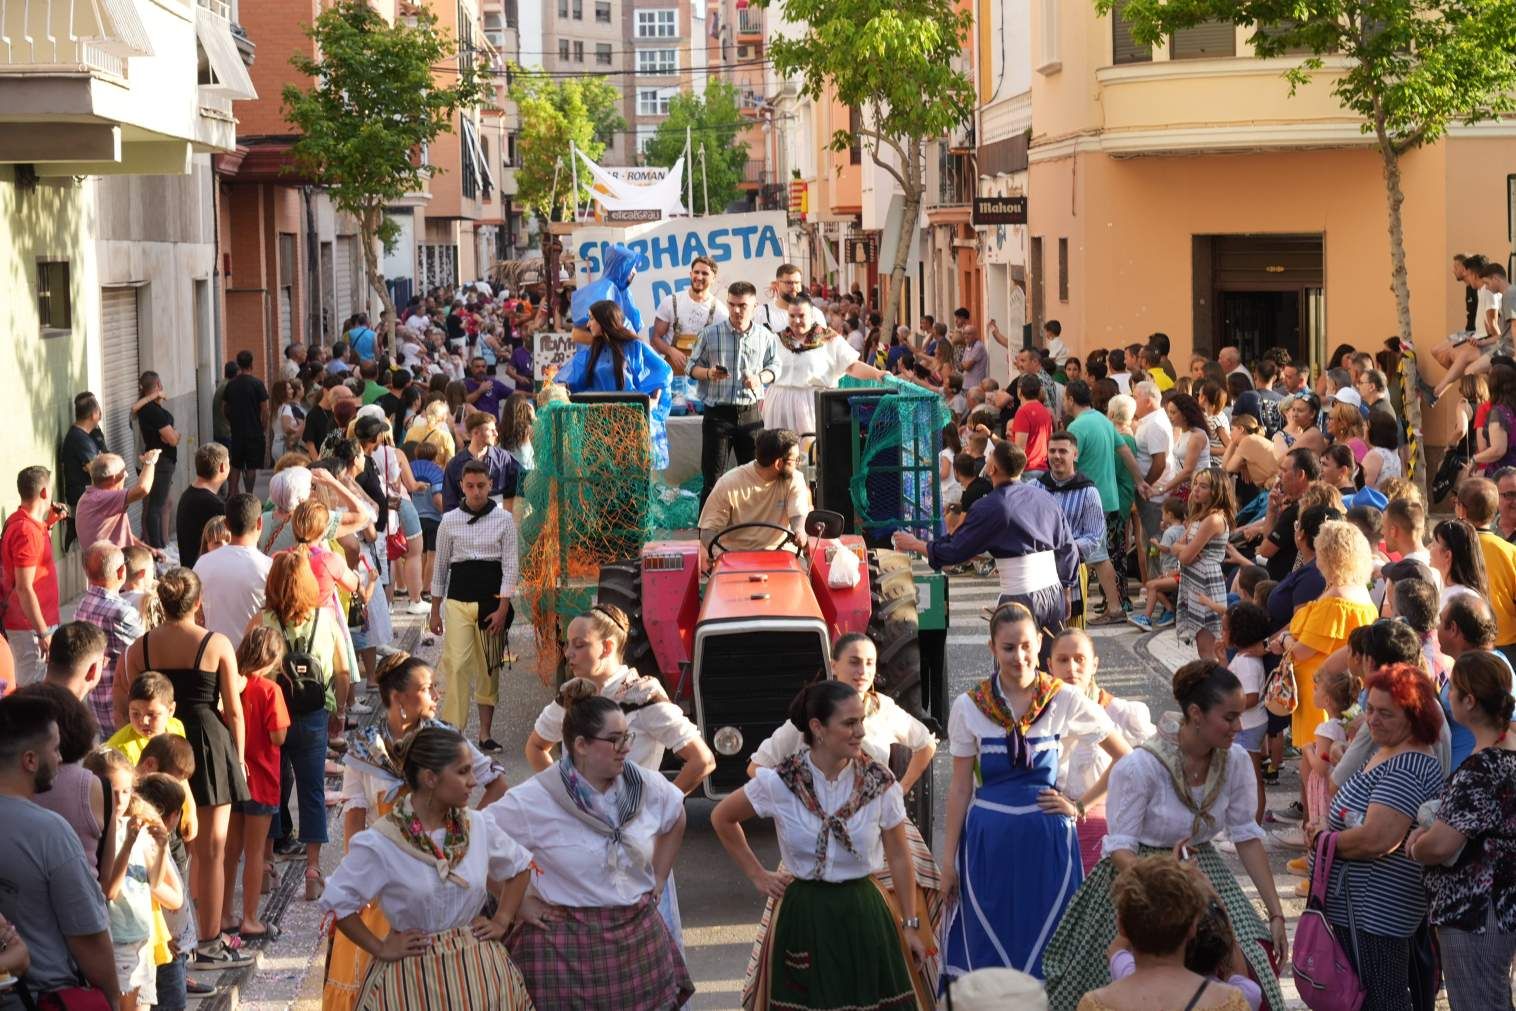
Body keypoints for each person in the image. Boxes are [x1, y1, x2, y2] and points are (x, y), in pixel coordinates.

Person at [1045, 660, 1288, 1011]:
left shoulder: (1233, 761)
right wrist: (1174, 879)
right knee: (1107, 976)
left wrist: (1276, 913)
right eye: (1230, 717)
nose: (1239, 726)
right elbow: (1120, 848)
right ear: (1196, 714)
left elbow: (1246, 837)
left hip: (1203, 867)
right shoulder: (1141, 766)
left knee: (1253, 958)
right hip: (1140, 877)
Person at [940, 603, 1131, 981]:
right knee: (988, 947)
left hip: (1047, 845)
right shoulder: (969, 706)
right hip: (987, 846)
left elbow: (1125, 757)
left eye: (1027, 646)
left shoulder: (1063, 698)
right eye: (1008, 648)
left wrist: (1079, 804)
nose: (1020, 656)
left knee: (1049, 947)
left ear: (1040, 643)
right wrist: (948, 862)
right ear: (992, 648)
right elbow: (960, 787)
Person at [712, 681, 931, 1008]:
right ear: (818, 728)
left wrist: (911, 925)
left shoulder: (878, 782)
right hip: (805, 912)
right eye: (849, 723)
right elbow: (722, 817)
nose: (860, 731)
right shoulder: (782, 781)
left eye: (861, 721)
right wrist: (758, 875)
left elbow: (899, 856)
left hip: (864, 910)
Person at [484, 682, 694, 1009]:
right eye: (615, 740)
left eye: (628, 737)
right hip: (564, 949)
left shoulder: (644, 785)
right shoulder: (536, 798)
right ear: (580, 745)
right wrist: (515, 904)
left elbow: (675, 815)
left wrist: (660, 877)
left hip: (637, 941)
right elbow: (472, 843)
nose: (625, 747)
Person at [326, 653, 509, 1011]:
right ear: (397, 697)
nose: (435, 696)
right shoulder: (365, 749)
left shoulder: (445, 742)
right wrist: (357, 875)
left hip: (443, 877)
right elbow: (355, 815)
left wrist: (467, 836)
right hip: (387, 886)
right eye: (426, 689)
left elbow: (496, 783)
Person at [523, 605, 714, 939]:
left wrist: (658, 808)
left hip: (633, 843)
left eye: (579, 644)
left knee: (643, 945)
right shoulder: (572, 695)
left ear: (608, 647)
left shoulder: (642, 695)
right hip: (581, 838)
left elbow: (701, 760)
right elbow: (536, 747)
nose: (569, 654)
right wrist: (565, 798)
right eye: (568, 645)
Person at [118, 568, 251, 969]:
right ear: (198, 603)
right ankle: (209, 941)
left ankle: (178, 939)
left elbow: (132, 698)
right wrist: (240, 758)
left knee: (170, 849)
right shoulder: (216, 643)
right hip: (209, 745)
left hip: (160, 745)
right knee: (213, 849)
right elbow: (234, 710)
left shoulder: (140, 648)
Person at [1306, 663, 1445, 1010]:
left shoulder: (1408, 765)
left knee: (1380, 1000)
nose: (1373, 720)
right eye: (1369, 709)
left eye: (1386, 713)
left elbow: (1378, 839)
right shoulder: (1386, 750)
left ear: (1413, 715)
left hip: (1374, 915)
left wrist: (1324, 841)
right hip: (1358, 912)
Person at [1408, 650, 1516, 1010]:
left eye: (1451, 690)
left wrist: (1416, 845)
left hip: (1476, 910)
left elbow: (1441, 845)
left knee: (1478, 1002)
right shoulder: (1507, 755)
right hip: (1500, 905)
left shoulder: (1482, 769)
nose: (1446, 696)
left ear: (1470, 701)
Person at [897, 441, 1076, 653]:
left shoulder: (991, 506)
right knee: (1050, 667)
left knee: (1014, 672)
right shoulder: (1045, 497)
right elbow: (1068, 546)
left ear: (991, 469)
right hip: (1054, 592)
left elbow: (956, 550)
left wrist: (917, 545)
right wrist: (1066, 588)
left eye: (989, 458)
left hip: (1020, 596)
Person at [0, 693, 120, 1008]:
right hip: (43, 998)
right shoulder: (49, 832)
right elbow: (89, 938)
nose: (59, 759)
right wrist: (113, 1000)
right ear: (29, 760)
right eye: (54, 749)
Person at [1079, 857, 1252, 1011]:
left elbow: (1115, 949)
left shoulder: (1095, 1004)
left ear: (1121, 927)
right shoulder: (1231, 1002)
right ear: (1192, 927)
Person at [1047, 628, 1154, 871]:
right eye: (1063, 660)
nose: (1071, 668)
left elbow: (1141, 764)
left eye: (1079, 659)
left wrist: (1081, 806)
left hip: (1103, 829)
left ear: (1094, 665)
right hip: (1052, 827)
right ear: (1050, 665)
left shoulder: (1121, 713)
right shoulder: (1038, 713)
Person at [429, 461, 517, 751]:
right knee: (455, 665)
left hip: (490, 602)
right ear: (462, 487)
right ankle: (454, 731)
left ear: (490, 485)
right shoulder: (449, 521)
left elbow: (510, 566)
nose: (476, 492)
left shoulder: (504, 520)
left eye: (481, 486)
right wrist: (434, 609)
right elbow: (440, 567)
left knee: (489, 667)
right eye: (470, 486)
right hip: (458, 600)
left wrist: (504, 607)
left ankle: (485, 733)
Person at [549, 299, 674, 469]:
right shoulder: (591, 351)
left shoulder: (635, 346)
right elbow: (569, 378)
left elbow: (662, 372)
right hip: (597, 426)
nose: (588, 324)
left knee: (630, 477)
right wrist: (557, 383)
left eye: (591, 319)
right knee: (600, 479)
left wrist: (654, 401)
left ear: (604, 321)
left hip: (629, 425)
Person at [688, 280, 780, 511]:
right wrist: (709, 373)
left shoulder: (765, 336)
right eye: (732, 305)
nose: (737, 311)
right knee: (713, 477)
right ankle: (707, 534)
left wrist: (760, 378)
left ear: (755, 306)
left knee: (756, 475)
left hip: (750, 414)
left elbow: (775, 367)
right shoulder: (710, 334)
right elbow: (691, 368)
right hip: (717, 415)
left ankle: (753, 526)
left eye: (743, 306)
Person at [760, 292, 886, 440]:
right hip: (779, 405)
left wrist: (877, 374)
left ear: (812, 315)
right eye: (792, 316)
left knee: (810, 453)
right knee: (778, 454)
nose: (796, 320)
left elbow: (851, 365)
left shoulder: (828, 339)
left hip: (813, 406)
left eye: (801, 315)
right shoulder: (777, 339)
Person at [697, 427, 812, 554]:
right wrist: (720, 555)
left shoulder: (794, 479)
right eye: (795, 460)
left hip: (782, 553)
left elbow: (798, 515)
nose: (798, 464)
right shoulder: (729, 483)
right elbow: (708, 531)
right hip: (736, 558)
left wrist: (800, 530)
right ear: (778, 463)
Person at [1038, 432, 1111, 627]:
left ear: (1075, 455)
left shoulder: (1089, 492)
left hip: (1072, 570)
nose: (1057, 456)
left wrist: (1064, 549)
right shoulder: (1035, 487)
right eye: (1052, 451)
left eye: (1063, 451)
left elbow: (1095, 537)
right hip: (1039, 570)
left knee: (1072, 634)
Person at [2, 466, 66, 686]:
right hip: (30, 627)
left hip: (34, 623)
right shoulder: (26, 532)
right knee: (33, 691)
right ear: (45, 493)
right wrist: (43, 633)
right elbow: (24, 587)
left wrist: (49, 522)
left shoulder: (23, 521)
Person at [74, 541, 145, 737]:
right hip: (122, 708)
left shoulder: (82, 605)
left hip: (97, 704)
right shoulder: (121, 612)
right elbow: (145, 651)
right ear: (121, 572)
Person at [192, 494, 272, 649]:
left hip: (213, 655)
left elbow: (195, 615)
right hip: (254, 658)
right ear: (260, 523)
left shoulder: (202, 564)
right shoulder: (269, 567)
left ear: (226, 524)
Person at [1174, 467, 1236, 663]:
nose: (1196, 490)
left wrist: (1184, 550)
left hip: (1206, 583)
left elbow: (1184, 556)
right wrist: (1183, 550)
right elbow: (1176, 547)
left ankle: (1214, 688)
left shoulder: (1213, 520)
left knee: (1208, 648)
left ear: (1215, 491)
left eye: (1203, 486)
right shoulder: (1198, 518)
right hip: (1194, 579)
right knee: (1203, 647)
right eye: (1195, 484)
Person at [1456, 477, 1516, 663]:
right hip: (1507, 640)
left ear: (1461, 510)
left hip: (1466, 639)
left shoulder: (1452, 548)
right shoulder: (1510, 550)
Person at [649, 254, 728, 373]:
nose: (699, 277)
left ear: (713, 278)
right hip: (672, 376)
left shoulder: (720, 312)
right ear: (691, 274)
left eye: (705, 273)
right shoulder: (670, 302)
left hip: (703, 379)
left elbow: (723, 349)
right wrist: (671, 351)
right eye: (696, 272)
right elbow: (655, 338)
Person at [131, 372, 180, 550]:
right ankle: (157, 546)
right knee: (155, 506)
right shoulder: (149, 411)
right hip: (157, 462)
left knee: (159, 504)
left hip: (154, 462)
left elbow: (172, 437)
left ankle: (159, 543)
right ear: (158, 384)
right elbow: (172, 439)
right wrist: (174, 436)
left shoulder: (148, 410)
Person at [75, 451, 160, 554]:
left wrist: (147, 549)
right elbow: (143, 489)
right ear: (113, 478)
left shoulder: (93, 496)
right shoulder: (101, 498)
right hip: (110, 565)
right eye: (124, 472)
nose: (127, 475)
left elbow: (120, 534)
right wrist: (149, 462)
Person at [439, 410, 519, 513]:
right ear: (475, 432)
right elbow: (449, 504)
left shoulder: (504, 459)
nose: (496, 433)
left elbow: (521, 481)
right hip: (467, 522)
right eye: (491, 430)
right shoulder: (455, 465)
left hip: (498, 522)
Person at [61, 392, 108, 549]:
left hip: (87, 497)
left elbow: (99, 464)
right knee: (95, 548)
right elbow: (98, 471)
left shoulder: (89, 436)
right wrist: (100, 463)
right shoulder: (79, 438)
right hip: (84, 498)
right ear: (94, 414)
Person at [222, 350, 270, 496]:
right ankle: (249, 494)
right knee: (251, 468)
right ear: (252, 364)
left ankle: (232, 494)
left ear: (238, 364)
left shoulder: (231, 385)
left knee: (235, 465)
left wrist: (231, 421)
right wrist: (263, 426)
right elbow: (265, 409)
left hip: (237, 432)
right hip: (254, 432)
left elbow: (224, 407)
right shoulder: (258, 384)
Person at [175, 443, 229, 569]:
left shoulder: (186, 496)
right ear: (222, 467)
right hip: (206, 577)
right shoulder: (216, 506)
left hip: (191, 574)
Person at [1429, 517, 1489, 608]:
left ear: (1447, 556)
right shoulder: (1455, 593)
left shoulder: (1461, 599)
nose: (1429, 548)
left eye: (1433, 544)